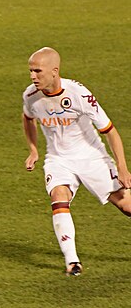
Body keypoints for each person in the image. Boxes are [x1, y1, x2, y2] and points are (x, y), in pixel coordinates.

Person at [22, 47, 131, 276]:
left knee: (126, 205)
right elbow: (28, 118)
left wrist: (122, 167)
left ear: (54, 71)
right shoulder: (31, 96)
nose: (33, 76)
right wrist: (33, 150)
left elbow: (109, 130)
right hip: (58, 159)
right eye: (31, 71)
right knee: (58, 197)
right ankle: (72, 262)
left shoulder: (78, 94)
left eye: (37, 71)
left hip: (91, 157)